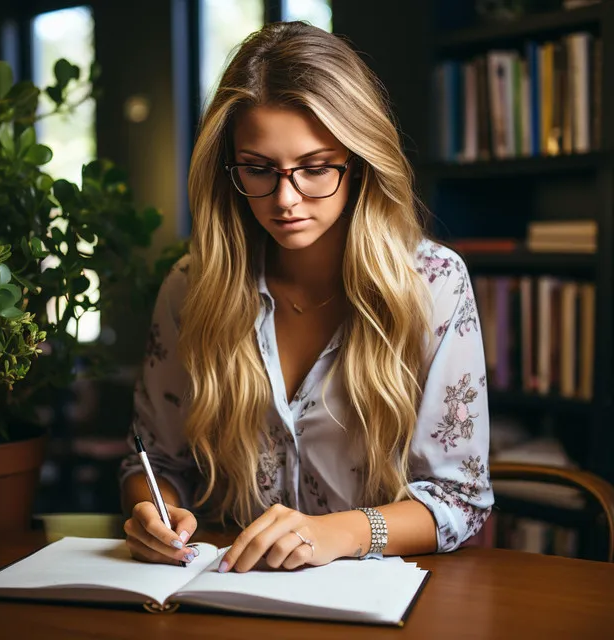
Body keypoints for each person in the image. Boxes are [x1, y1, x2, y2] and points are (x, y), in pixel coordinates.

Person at [119, 20, 493, 573]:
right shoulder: (190, 287)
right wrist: (154, 512)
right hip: (228, 593)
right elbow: (154, 462)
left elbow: (458, 500)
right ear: (231, 171)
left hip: (378, 603)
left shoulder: (433, 285)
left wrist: (333, 534)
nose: (286, 198)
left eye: (316, 168)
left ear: (359, 162)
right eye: (258, 169)